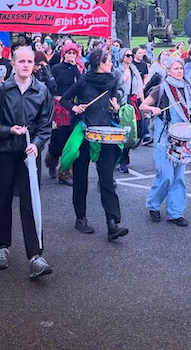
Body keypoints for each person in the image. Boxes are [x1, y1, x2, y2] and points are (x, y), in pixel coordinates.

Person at [0, 46, 54, 278]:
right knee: (2, 200)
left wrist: (38, 144)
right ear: (12, 64)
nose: (25, 65)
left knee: (30, 202)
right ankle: (2, 247)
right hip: (4, 153)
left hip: (29, 155)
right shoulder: (1, 90)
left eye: (29, 61)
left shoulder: (42, 91)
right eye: (21, 61)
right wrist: (8, 130)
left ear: (34, 65)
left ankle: (35, 256)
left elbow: (45, 125)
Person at [60, 48, 129, 241]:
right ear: (100, 63)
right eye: (109, 61)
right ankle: (80, 218)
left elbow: (114, 98)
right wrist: (75, 107)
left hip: (105, 133)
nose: (111, 64)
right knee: (80, 177)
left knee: (107, 178)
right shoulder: (83, 81)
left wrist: (115, 104)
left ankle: (112, 223)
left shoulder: (111, 80)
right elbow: (64, 99)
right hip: (85, 132)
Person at [140, 57, 191, 226]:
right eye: (176, 68)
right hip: (164, 136)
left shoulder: (186, 87)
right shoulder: (161, 88)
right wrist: (153, 109)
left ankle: (175, 212)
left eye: (181, 68)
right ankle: (153, 204)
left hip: (182, 136)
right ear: (168, 71)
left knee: (179, 177)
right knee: (166, 176)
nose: (179, 71)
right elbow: (143, 106)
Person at [45, 42, 81, 183]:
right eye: (69, 53)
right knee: (58, 138)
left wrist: (74, 67)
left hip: (71, 106)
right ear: (63, 54)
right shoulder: (56, 68)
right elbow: (53, 85)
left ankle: (65, 171)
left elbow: (80, 83)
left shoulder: (77, 68)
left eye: (74, 53)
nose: (71, 56)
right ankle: (51, 161)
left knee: (70, 139)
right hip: (58, 105)